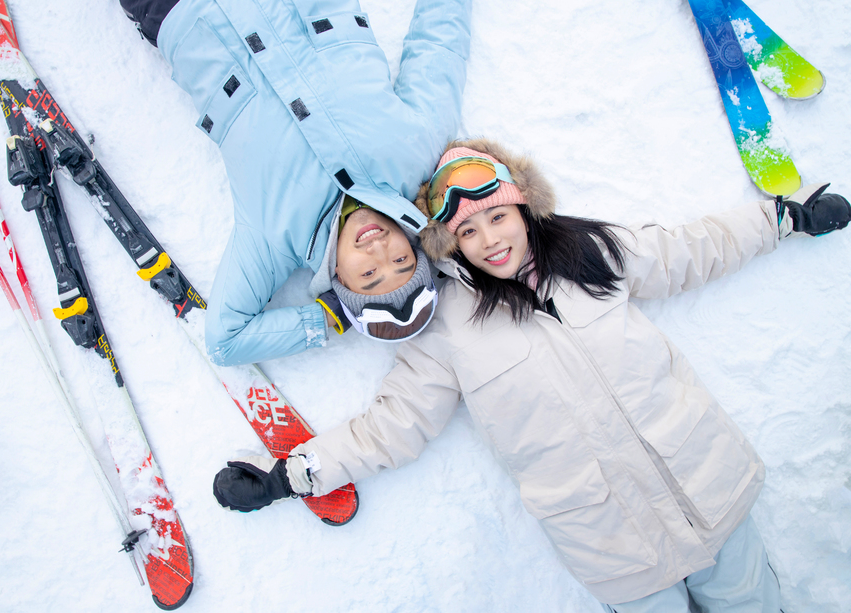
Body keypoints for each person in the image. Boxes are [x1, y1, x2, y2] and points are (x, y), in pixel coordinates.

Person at [210, 139, 851, 611]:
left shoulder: (592, 254)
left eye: (497, 216)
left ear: (523, 209)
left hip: (709, 487)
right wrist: (289, 476)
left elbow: (692, 250)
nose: (489, 238)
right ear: (446, 243)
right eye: (465, 230)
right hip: (613, 542)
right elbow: (393, 427)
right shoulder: (448, 331)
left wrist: (782, 218)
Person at [119, 0, 472, 364]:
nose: (378, 249)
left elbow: (226, 340)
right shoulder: (419, 153)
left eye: (369, 273)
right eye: (400, 259)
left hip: (183, 14)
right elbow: (438, 44)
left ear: (340, 282)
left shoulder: (273, 238)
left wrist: (328, 317)